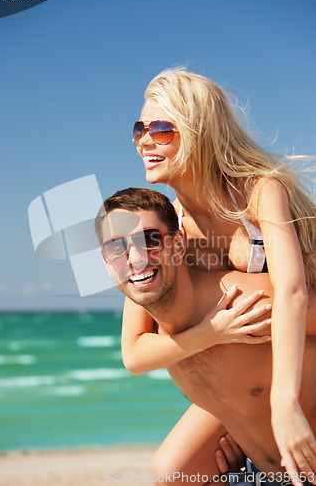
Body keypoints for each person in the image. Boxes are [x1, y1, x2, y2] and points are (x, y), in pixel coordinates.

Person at [124, 69, 316, 484]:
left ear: (198, 130)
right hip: (242, 390)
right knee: (173, 471)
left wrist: (285, 404)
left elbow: (293, 292)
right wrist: (212, 331)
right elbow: (135, 350)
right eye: (140, 127)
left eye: (160, 129)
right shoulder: (166, 225)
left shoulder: (260, 190)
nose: (144, 139)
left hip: (297, 365)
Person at [95, 187, 316, 486]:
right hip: (268, 474)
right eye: (115, 249)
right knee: (172, 473)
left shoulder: (241, 305)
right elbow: (132, 358)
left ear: (178, 244)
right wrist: (210, 333)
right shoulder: (160, 329)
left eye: (149, 240)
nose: (135, 258)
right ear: (106, 262)